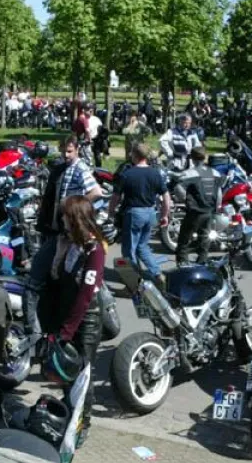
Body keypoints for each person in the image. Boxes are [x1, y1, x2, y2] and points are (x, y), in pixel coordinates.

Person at [25, 134, 102, 339]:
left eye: (70, 151)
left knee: (43, 275)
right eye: (63, 150)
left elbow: (96, 191)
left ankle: (35, 333)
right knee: (57, 274)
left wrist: (77, 208)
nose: (66, 155)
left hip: (66, 233)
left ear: (77, 150)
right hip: (57, 230)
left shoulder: (80, 168)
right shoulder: (60, 168)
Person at [44, 196, 106, 434]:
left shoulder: (95, 250)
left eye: (65, 215)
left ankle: (82, 424)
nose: (62, 219)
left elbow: (85, 296)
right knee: (68, 372)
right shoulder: (71, 242)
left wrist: (67, 331)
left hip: (86, 320)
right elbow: (58, 277)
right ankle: (70, 412)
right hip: (68, 315)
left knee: (83, 373)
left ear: (76, 218)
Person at [112, 142, 169, 284]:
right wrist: (164, 215)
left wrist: (110, 212)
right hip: (150, 213)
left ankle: (133, 282)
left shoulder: (127, 174)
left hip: (134, 213)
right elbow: (166, 198)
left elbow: (115, 197)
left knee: (129, 250)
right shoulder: (155, 173)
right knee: (142, 246)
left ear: (135, 155)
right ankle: (156, 273)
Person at [174, 146, 220, 267]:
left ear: (192, 158)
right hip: (209, 212)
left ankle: (183, 266)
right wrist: (216, 209)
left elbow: (178, 188)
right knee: (204, 242)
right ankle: (202, 266)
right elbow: (219, 193)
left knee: (183, 241)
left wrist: (184, 200)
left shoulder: (189, 173)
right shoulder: (215, 173)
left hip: (194, 213)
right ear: (204, 157)